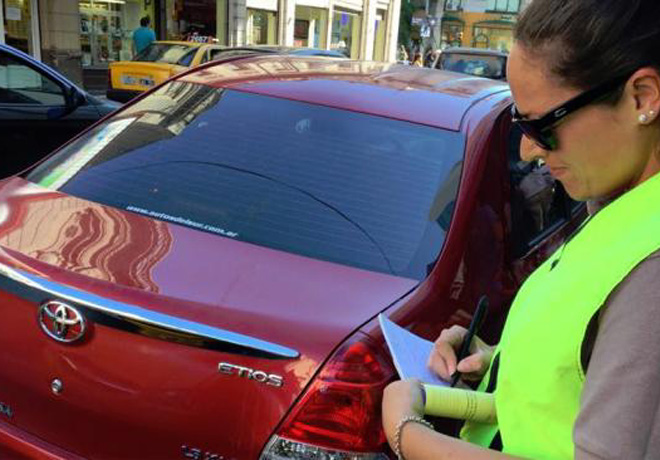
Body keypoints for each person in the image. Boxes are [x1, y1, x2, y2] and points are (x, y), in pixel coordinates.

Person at [382, 0, 660, 459]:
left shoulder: (650, 265)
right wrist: (499, 363)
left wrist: (407, 433)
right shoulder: (618, 212)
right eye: (519, 123)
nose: (530, 150)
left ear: (642, 98)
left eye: (544, 126)